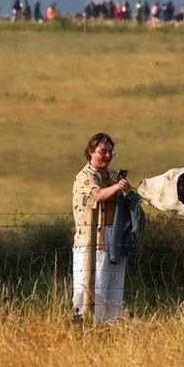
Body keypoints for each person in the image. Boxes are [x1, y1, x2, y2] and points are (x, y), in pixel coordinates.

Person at [71, 132, 130, 321]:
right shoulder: (85, 176)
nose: (106, 156)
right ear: (90, 152)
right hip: (91, 239)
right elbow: (97, 195)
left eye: (110, 152)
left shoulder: (112, 175)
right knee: (90, 286)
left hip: (114, 239)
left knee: (113, 285)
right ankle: (86, 323)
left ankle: (109, 325)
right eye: (102, 151)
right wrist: (118, 188)